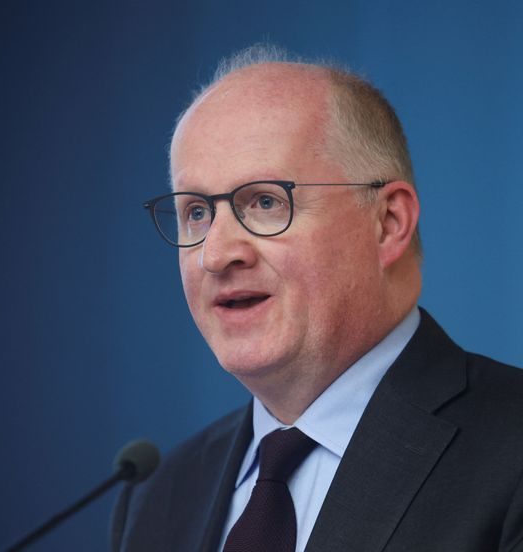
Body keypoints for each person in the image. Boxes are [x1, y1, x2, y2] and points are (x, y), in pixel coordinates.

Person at [110, 45, 523, 552]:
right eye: (196, 212)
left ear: (388, 223)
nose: (215, 255)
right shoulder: (157, 497)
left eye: (265, 202)